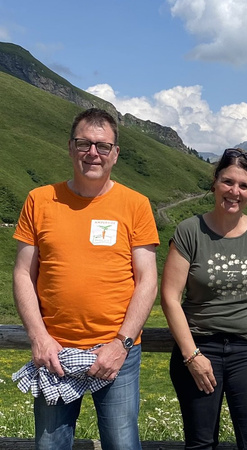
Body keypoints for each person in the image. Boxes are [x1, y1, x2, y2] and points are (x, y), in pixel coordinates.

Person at [12, 108, 160, 449]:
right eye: (84, 144)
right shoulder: (39, 200)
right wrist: (39, 338)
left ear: (115, 154)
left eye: (102, 146)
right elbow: (22, 273)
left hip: (117, 351)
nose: (93, 153)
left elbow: (147, 280)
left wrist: (121, 345)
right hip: (55, 352)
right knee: (50, 445)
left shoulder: (136, 204)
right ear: (70, 147)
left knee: (122, 443)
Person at [161, 147, 247, 450]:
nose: (234, 191)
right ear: (215, 182)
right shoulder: (190, 231)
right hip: (199, 345)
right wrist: (192, 356)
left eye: (243, 186)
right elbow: (170, 297)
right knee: (201, 444)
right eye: (228, 182)